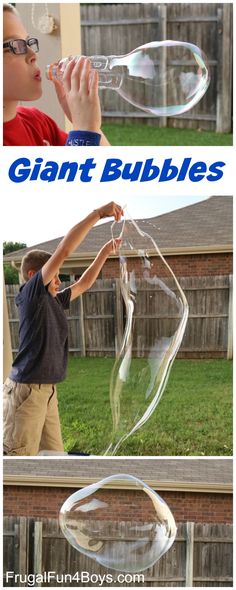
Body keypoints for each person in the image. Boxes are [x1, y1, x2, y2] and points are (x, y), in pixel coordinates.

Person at [3, 201, 123, 456]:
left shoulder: (54, 300)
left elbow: (85, 283)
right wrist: (99, 214)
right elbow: (65, 250)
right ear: (35, 275)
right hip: (27, 393)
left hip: (48, 392)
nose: (59, 280)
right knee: (20, 458)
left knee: (55, 455)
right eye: (55, 275)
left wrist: (105, 251)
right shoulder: (31, 294)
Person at [3, 3, 109, 146]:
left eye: (28, 43)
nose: (33, 55)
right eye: (15, 46)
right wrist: (84, 131)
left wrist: (90, 127)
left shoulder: (37, 123)